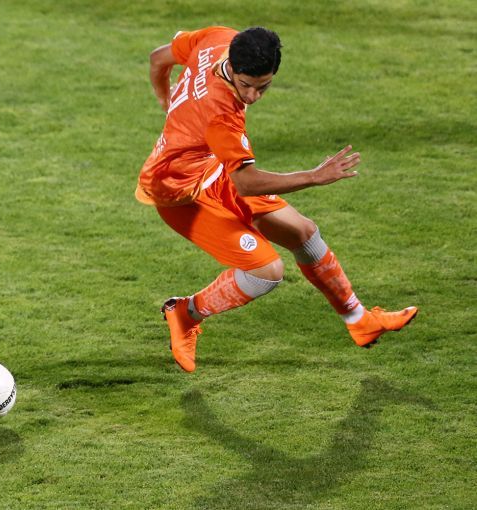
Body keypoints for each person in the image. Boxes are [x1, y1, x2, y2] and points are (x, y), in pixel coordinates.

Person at [135, 26, 417, 373]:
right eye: (246, 85)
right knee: (266, 272)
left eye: (263, 86)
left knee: (303, 232)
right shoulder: (221, 112)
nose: (252, 96)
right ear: (232, 67)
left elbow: (158, 59)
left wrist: (166, 102)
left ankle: (360, 321)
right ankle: (184, 312)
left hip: (211, 169)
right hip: (177, 192)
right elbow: (246, 183)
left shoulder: (217, 39)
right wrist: (314, 176)